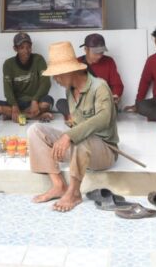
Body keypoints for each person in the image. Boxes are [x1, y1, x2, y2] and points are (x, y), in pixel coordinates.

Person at [29, 41, 119, 212]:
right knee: (35, 130)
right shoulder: (69, 91)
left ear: (70, 70)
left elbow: (104, 118)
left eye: (58, 75)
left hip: (104, 151)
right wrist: (68, 136)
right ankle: (58, 185)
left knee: (79, 138)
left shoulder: (100, 86)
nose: (56, 79)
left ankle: (74, 192)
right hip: (81, 151)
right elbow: (77, 126)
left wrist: (69, 136)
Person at [57, 33, 123, 119]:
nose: (99, 56)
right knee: (61, 103)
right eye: (95, 53)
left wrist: (115, 95)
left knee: (109, 108)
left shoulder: (109, 61)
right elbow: (71, 88)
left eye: (101, 52)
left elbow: (117, 85)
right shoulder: (77, 63)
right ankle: (86, 118)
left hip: (102, 102)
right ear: (86, 49)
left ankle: (81, 118)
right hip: (82, 103)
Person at [0, 32, 54, 122]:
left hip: (36, 101)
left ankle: (16, 116)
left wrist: (35, 100)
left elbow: (46, 83)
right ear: (15, 49)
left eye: (28, 47)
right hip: (18, 102)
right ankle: (35, 116)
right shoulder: (8, 64)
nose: (26, 51)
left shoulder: (38, 59)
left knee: (46, 103)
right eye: (21, 48)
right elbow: (7, 89)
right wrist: (14, 105)